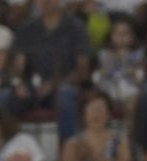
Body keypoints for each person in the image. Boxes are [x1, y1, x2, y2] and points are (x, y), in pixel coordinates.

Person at [7, 0, 91, 142]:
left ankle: (68, 149)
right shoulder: (27, 28)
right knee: (3, 97)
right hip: (32, 87)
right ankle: (9, 150)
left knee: (66, 95)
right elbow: (17, 67)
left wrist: (54, 84)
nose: (44, 2)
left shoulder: (76, 27)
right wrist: (18, 83)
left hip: (62, 87)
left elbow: (83, 71)